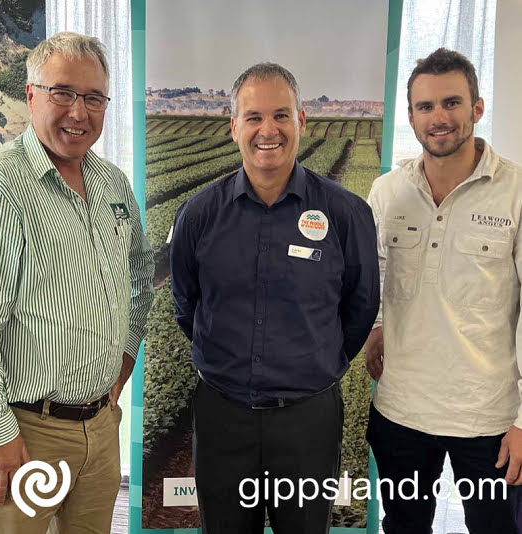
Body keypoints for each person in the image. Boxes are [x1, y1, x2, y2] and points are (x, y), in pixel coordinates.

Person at [170, 62, 379, 534]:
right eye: (254, 117)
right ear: (233, 127)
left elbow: (361, 307)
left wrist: (314, 361)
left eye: (282, 115)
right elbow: (187, 304)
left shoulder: (345, 214)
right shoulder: (199, 214)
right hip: (224, 415)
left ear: (302, 121)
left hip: (308, 421)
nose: (269, 130)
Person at [0, 32, 154, 533]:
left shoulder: (112, 183)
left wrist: (123, 364)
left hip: (100, 427)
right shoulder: (3, 187)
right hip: (26, 431)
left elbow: (142, 279)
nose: (78, 112)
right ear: (32, 94)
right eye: (63, 93)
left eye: (93, 98)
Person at [366, 47, 522, 534]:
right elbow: (374, 274)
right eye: (425, 107)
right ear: (410, 116)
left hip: (489, 418)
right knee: (404, 526)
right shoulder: (387, 191)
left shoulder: (515, 191)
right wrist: (375, 328)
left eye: (452, 103)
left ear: (477, 108)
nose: (439, 118)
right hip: (401, 410)